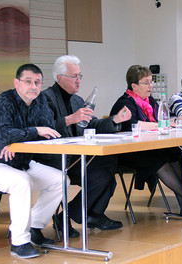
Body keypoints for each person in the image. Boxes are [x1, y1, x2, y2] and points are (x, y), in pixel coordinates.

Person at [0, 64, 64, 259]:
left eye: (37, 82)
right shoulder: (3, 102)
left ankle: (35, 228)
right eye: (28, 81)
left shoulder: (40, 102)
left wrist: (17, 140)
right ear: (17, 82)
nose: (33, 86)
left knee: (60, 180)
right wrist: (31, 132)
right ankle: (19, 242)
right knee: (21, 182)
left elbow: (49, 131)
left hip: (21, 162)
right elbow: (4, 133)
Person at [36, 55, 130, 235]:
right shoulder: (45, 98)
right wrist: (70, 119)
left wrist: (115, 119)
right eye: (74, 77)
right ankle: (77, 216)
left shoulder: (77, 100)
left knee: (108, 166)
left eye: (80, 76)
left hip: (77, 156)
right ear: (59, 77)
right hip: (55, 159)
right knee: (104, 171)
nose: (78, 81)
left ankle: (89, 215)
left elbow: (93, 125)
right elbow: (43, 129)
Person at [110, 65, 182, 215]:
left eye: (151, 82)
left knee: (174, 153)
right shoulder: (125, 102)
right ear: (134, 86)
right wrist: (163, 124)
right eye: (146, 83)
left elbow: (162, 119)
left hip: (147, 147)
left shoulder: (149, 101)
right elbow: (132, 125)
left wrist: (175, 120)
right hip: (129, 151)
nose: (150, 86)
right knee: (158, 159)